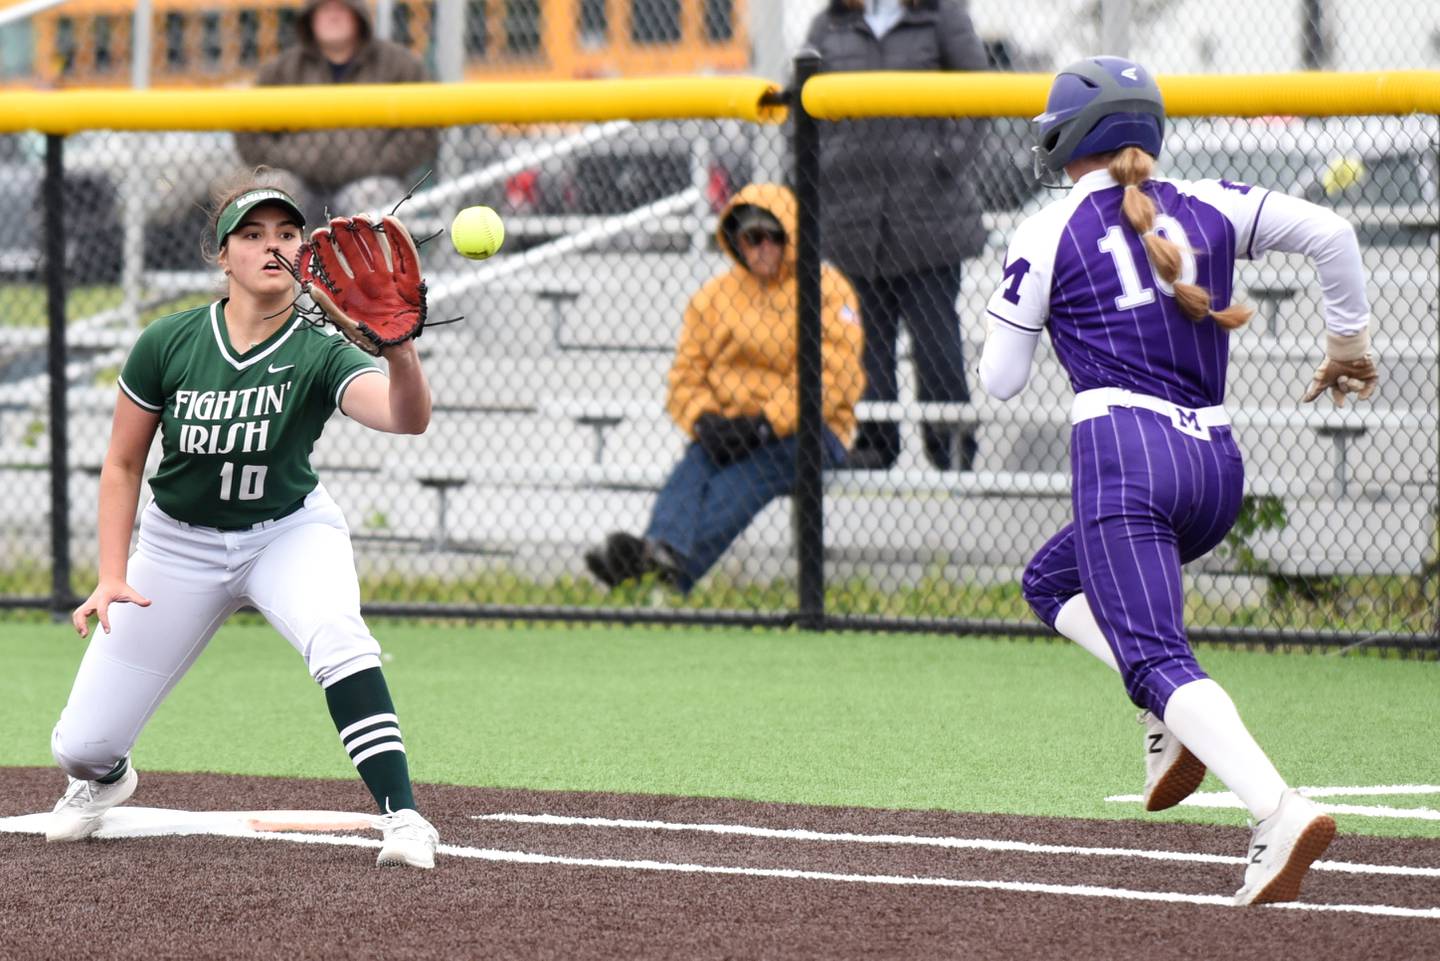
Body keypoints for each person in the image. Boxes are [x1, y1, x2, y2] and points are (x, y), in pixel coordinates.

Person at [980, 56, 1378, 905]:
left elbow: (1001, 382)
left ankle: (1275, 806)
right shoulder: (1215, 201)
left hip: (1125, 459)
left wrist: (1021, 308)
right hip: (1214, 467)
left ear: (1064, 139)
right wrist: (1345, 342)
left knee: (1159, 652)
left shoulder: (1048, 227)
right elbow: (1335, 237)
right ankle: (1165, 713)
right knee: (1050, 580)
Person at [47, 173, 442, 869]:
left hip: (287, 532)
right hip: (177, 546)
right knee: (79, 746)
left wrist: (401, 350)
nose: (272, 246)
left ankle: (404, 815)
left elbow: (406, 418)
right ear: (221, 255)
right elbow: (121, 464)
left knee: (338, 636)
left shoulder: (320, 348)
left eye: (287, 233)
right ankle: (108, 778)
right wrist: (111, 574)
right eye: (252, 235)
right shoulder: (169, 341)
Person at [583, 184, 865, 593]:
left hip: (808, 430)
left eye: (774, 236)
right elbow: (685, 376)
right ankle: (658, 552)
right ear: (736, 241)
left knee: (743, 478)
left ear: (791, 237)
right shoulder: (713, 298)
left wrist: (767, 423)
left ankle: (665, 572)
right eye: (752, 238)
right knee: (695, 465)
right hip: (730, 427)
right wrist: (704, 419)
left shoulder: (826, 288)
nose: (763, 247)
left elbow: (834, 375)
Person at [803, 0, 988, 471]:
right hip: (851, 215)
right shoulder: (828, 26)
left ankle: (952, 446)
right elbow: (800, 109)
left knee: (935, 339)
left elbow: (982, 94)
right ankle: (874, 442)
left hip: (929, 212)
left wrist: (946, 159)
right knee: (864, 341)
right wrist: (816, 170)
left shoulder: (940, 16)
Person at [234, 0, 439, 217]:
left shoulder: (398, 64)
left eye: (341, 8)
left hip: (371, 181)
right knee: (272, 189)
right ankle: (281, 252)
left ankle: (371, 253)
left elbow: (424, 127)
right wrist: (289, 159)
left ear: (357, 15)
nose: (333, 16)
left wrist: (377, 162)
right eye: (324, 9)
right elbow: (248, 126)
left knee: (374, 194)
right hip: (300, 181)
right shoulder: (284, 69)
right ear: (310, 17)